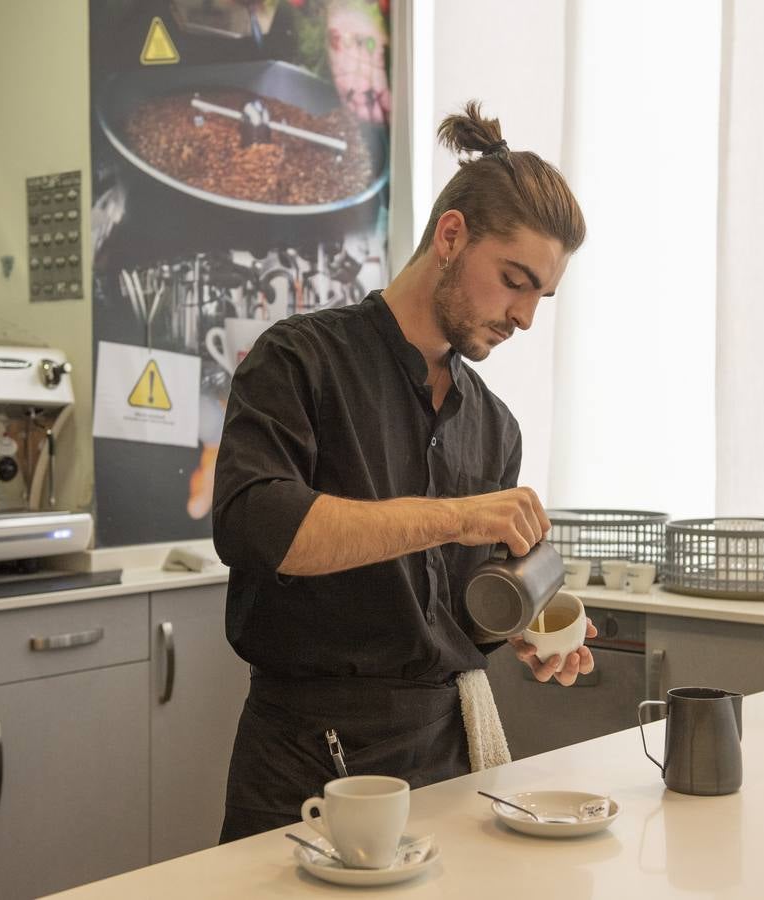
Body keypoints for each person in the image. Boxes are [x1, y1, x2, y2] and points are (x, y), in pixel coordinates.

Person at [211, 101, 590, 842]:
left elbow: (454, 615)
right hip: (303, 760)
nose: (525, 318)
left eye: (541, 297)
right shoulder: (298, 360)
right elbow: (260, 527)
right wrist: (457, 515)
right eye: (515, 280)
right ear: (452, 236)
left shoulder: (494, 425)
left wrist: (523, 626)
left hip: (447, 756)